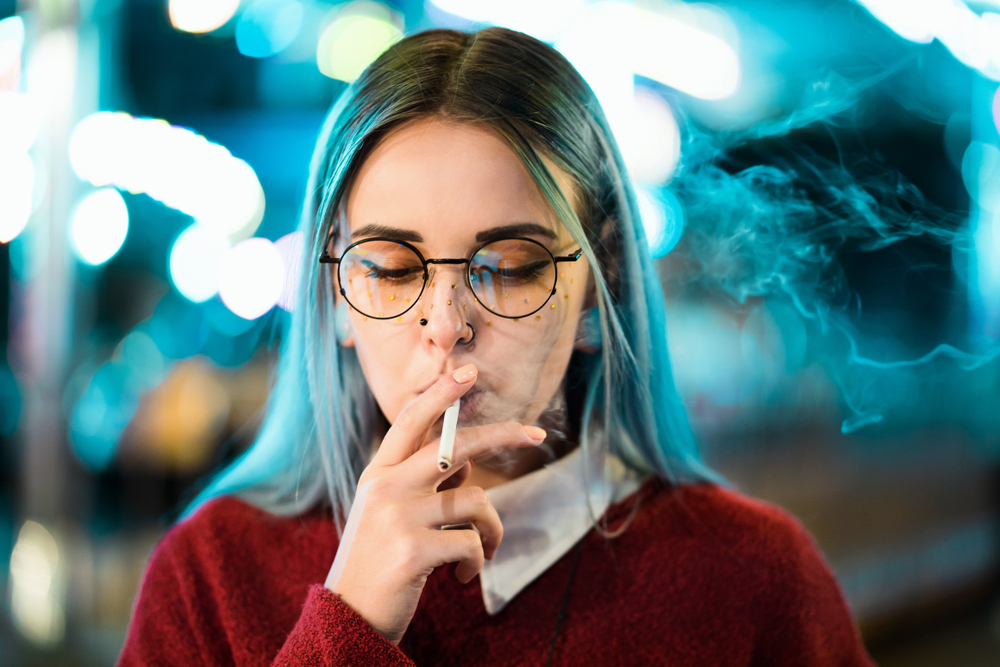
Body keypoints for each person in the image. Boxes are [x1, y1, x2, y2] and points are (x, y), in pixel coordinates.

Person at [118, 27, 875, 666]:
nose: (446, 322)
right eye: (389, 268)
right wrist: (346, 627)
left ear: (598, 284)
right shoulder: (211, 575)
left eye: (509, 267)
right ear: (333, 296)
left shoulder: (754, 579)